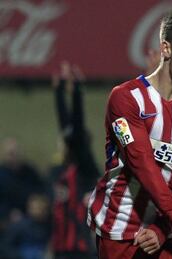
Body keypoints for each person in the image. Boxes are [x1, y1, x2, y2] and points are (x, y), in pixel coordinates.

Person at [87, 5, 172, 259]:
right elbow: (144, 166)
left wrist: (162, 228)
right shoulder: (125, 99)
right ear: (166, 48)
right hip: (121, 228)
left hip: (171, 231)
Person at [49, 62, 100, 258]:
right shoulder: (61, 169)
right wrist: (60, 92)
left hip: (81, 249)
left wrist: (75, 93)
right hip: (61, 247)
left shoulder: (86, 169)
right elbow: (68, 131)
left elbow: (74, 131)